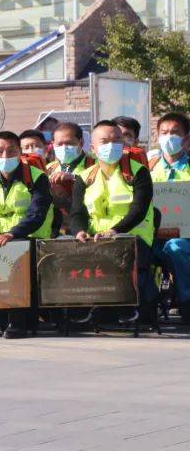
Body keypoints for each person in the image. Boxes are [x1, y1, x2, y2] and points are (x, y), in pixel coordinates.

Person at [68, 120, 156, 323]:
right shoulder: (85, 176)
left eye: (117, 140)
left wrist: (115, 231)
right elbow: (76, 213)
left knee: (116, 251)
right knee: (64, 251)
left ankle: (124, 308)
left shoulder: (138, 172)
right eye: (105, 141)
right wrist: (79, 231)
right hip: (95, 238)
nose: (111, 145)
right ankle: (78, 308)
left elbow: (139, 209)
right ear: (92, 148)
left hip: (133, 236)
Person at [0, 131, 54, 339]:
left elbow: (37, 214)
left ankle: (18, 322)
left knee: (16, 260)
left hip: (30, 238)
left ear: (20, 153)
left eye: (11, 151)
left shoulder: (37, 177)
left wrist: (11, 234)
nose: (5, 155)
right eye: (0, 150)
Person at [150, 112, 190, 322]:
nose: (169, 137)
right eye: (164, 132)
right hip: (152, 236)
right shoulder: (147, 168)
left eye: (175, 133)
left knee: (177, 247)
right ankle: (143, 305)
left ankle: (186, 302)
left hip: (186, 238)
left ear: (187, 138)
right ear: (157, 136)